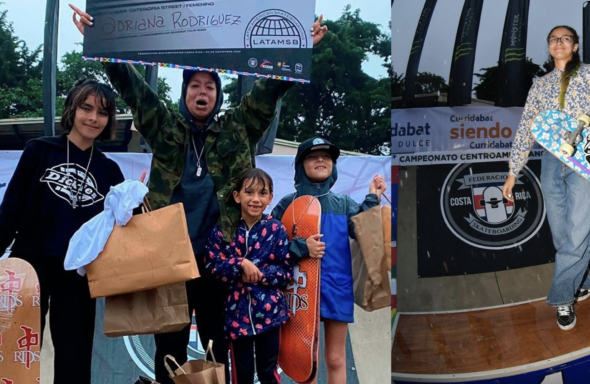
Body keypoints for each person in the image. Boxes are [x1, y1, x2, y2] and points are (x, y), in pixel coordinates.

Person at [69, 5, 327, 383]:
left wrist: (297, 49)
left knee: (215, 343)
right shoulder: (165, 128)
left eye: (209, 86)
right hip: (169, 258)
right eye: (194, 85)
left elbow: (269, 89)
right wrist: (102, 38)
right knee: (168, 347)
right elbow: (136, 92)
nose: (201, 91)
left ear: (217, 95)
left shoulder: (239, 126)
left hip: (219, 259)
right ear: (184, 94)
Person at [0, 78, 125, 384]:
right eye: (86, 108)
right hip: (29, 264)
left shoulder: (110, 171)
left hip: (79, 273)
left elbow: (122, 229)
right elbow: (10, 209)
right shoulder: (39, 151)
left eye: (102, 112)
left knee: (75, 355)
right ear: (72, 109)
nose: (93, 118)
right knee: (17, 351)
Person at [501, 25, 590, 331]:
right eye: (553, 38)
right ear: (549, 46)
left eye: (565, 38)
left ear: (576, 45)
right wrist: (512, 172)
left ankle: (563, 296)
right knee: (562, 235)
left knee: (578, 233)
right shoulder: (539, 85)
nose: (559, 42)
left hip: (587, 158)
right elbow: (526, 128)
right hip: (551, 162)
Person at [271, 138, 386, 384]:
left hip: (336, 287)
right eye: (313, 156)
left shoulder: (343, 204)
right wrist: (301, 247)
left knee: (335, 359)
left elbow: (365, 234)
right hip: (298, 289)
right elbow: (271, 248)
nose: (321, 160)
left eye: (327, 156)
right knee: (306, 359)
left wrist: (372, 199)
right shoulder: (286, 204)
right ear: (301, 164)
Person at [206, 168, 292, 384]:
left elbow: (285, 272)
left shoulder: (276, 229)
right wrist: (240, 264)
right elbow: (212, 265)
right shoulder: (223, 230)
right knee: (241, 375)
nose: (255, 199)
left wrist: (260, 274)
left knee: (268, 373)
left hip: (270, 315)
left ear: (271, 197)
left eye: (262, 193)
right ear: (237, 196)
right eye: (249, 192)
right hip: (236, 316)